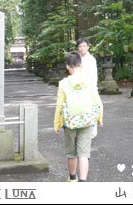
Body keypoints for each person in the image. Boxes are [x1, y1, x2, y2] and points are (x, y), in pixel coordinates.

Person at [54, 51, 103, 182]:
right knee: (84, 153)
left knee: (71, 153)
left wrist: (57, 124)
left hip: (70, 121)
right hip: (87, 119)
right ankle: (83, 181)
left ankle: (72, 178)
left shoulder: (63, 83)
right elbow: (96, 100)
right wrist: (99, 117)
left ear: (67, 66)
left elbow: (59, 105)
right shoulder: (88, 81)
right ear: (80, 65)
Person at [77, 37, 98, 138]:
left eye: (84, 46)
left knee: (91, 110)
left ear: (88, 47)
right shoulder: (76, 59)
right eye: (80, 46)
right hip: (77, 88)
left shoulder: (91, 59)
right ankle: (82, 130)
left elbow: (93, 76)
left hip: (89, 88)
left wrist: (92, 88)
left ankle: (92, 132)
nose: (82, 48)